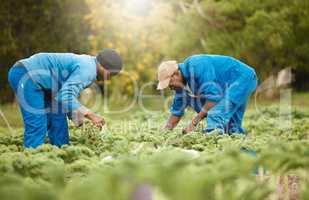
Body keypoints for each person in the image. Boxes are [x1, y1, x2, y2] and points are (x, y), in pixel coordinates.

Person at [8, 49, 123, 148]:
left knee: (58, 120)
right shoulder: (88, 70)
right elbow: (65, 95)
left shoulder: (88, 65)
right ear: (104, 67)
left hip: (49, 87)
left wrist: (80, 122)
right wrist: (91, 115)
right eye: (110, 75)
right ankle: (32, 162)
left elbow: (64, 98)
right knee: (37, 123)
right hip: (26, 74)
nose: (108, 79)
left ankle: (62, 155)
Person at [157, 54, 257, 135]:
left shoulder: (196, 65)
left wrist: (194, 123)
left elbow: (214, 98)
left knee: (216, 114)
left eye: (169, 83)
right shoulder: (181, 88)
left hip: (241, 78)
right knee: (231, 129)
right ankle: (244, 153)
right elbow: (176, 113)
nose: (169, 87)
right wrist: (163, 134)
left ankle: (214, 151)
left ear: (176, 74)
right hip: (227, 87)